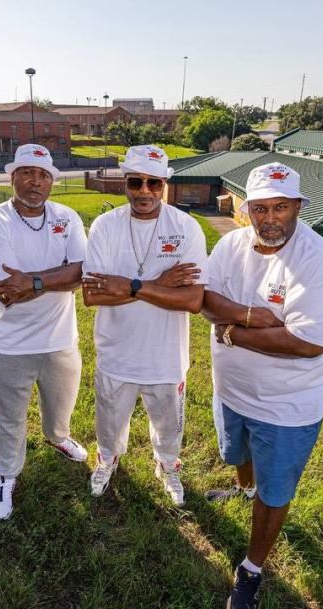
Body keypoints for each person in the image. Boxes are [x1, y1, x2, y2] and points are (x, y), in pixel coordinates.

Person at [200, 163, 323, 609]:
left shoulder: (317, 262)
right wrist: (253, 315)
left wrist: (231, 333)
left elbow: (305, 343)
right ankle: (243, 489)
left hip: (287, 407)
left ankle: (252, 569)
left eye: (281, 207)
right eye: (261, 207)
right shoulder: (230, 245)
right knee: (236, 454)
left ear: (298, 207)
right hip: (232, 390)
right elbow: (204, 299)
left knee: (276, 489)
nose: (270, 218)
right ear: (246, 209)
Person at [82, 144, 207, 506]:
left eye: (154, 183)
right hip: (115, 351)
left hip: (166, 357)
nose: (145, 192)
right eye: (136, 182)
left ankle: (167, 465)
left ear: (165, 184)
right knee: (109, 419)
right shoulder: (106, 226)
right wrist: (161, 285)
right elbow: (92, 296)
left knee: (169, 425)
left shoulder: (186, 228)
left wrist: (131, 285)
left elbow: (194, 300)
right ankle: (107, 459)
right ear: (126, 183)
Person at [0, 144, 89, 520]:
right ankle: (7, 474)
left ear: (51, 181)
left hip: (60, 340)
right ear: (12, 177)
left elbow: (81, 273)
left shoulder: (67, 217)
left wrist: (34, 281)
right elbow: (6, 289)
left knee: (60, 410)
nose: (34, 181)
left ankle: (57, 439)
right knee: (10, 419)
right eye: (26, 173)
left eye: (42, 175)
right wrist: (57, 278)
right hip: (12, 345)